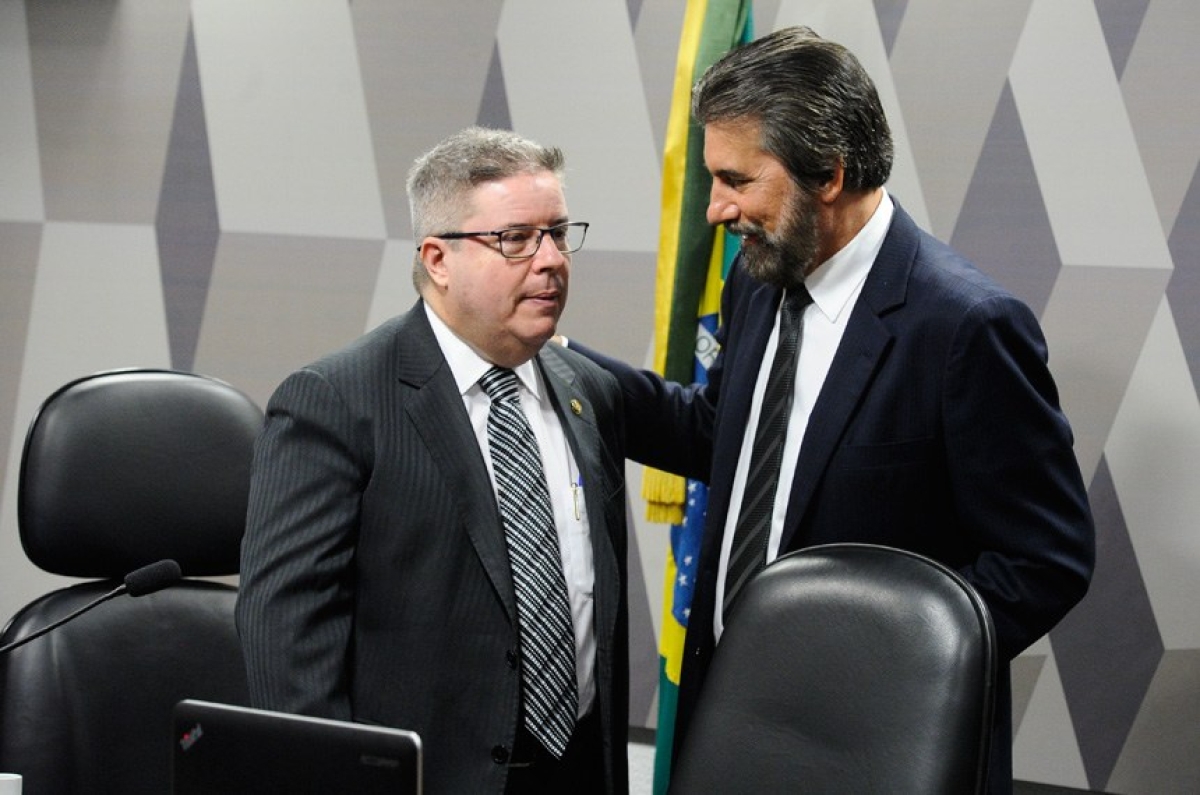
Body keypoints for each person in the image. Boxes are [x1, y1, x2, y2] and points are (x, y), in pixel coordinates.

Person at [569, 27, 1094, 794]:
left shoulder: (965, 327)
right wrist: (564, 362)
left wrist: (892, 669)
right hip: (734, 723)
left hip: (879, 748)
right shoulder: (760, 276)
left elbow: (1046, 559)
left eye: (736, 179)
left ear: (830, 175)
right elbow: (729, 435)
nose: (715, 209)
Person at [236, 127, 630, 795]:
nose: (551, 260)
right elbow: (287, 645)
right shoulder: (335, 401)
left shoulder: (587, 389)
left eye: (559, 233)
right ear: (437, 258)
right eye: (515, 238)